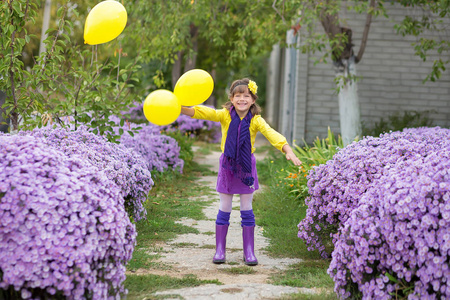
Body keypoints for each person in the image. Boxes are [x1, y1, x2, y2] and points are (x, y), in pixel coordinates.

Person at [180, 78, 302, 266]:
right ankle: (220, 250)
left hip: (245, 167)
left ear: (253, 100)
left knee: (247, 209)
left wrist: (288, 150)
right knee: (225, 208)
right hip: (228, 165)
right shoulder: (225, 116)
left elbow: (271, 134)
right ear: (231, 98)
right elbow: (204, 112)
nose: (242, 99)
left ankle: (249, 252)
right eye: (238, 96)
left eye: (247, 96)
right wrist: (181, 109)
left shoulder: (256, 120)